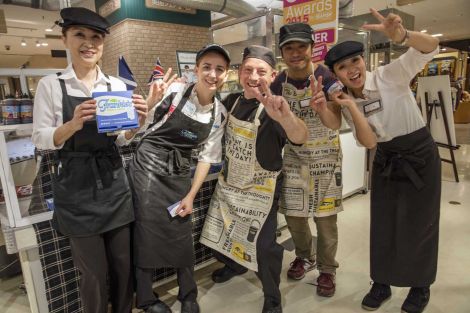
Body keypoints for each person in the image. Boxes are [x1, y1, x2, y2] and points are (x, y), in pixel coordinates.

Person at [324, 9, 441, 313]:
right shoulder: (345, 99)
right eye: (342, 66)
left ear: (363, 61)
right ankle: (382, 282)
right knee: (384, 223)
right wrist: (351, 106)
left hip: (419, 155)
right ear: (335, 73)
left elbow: (430, 47)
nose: (351, 69)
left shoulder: (389, 75)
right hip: (386, 157)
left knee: (421, 223)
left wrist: (402, 36)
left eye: (355, 61)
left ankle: (420, 286)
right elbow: (370, 143)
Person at [31, 7, 148, 313]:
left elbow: (122, 138)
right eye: (79, 35)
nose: (89, 43)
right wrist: (71, 125)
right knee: (93, 273)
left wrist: (137, 124)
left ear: (103, 43)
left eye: (96, 37)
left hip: (113, 181)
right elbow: (40, 138)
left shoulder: (115, 86)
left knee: (123, 265)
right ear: (65, 38)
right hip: (74, 186)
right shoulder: (52, 85)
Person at [200, 45, 308, 313]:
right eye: (248, 69)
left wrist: (285, 117)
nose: (254, 76)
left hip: (262, 189)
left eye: (261, 71)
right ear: (239, 74)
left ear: (273, 76)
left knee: (263, 246)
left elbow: (300, 136)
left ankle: (272, 296)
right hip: (231, 184)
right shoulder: (231, 101)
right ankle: (235, 265)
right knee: (219, 231)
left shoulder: (276, 106)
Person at [127, 44, 230, 313]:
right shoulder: (174, 92)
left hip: (180, 170)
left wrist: (191, 195)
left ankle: (188, 293)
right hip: (148, 167)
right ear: (195, 70)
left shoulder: (219, 114)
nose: (212, 73)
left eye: (219, 69)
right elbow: (137, 127)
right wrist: (148, 102)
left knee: (182, 232)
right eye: (206, 66)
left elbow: (208, 156)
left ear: (226, 74)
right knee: (146, 232)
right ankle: (147, 298)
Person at [270, 22, 344, 297]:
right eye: (289, 47)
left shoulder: (328, 77)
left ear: (312, 48)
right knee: (294, 215)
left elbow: (335, 123)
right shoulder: (278, 82)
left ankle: (327, 269)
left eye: (302, 46)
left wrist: (322, 106)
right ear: (282, 52)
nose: (296, 52)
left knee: (326, 221)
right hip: (294, 160)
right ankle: (305, 255)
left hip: (326, 159)